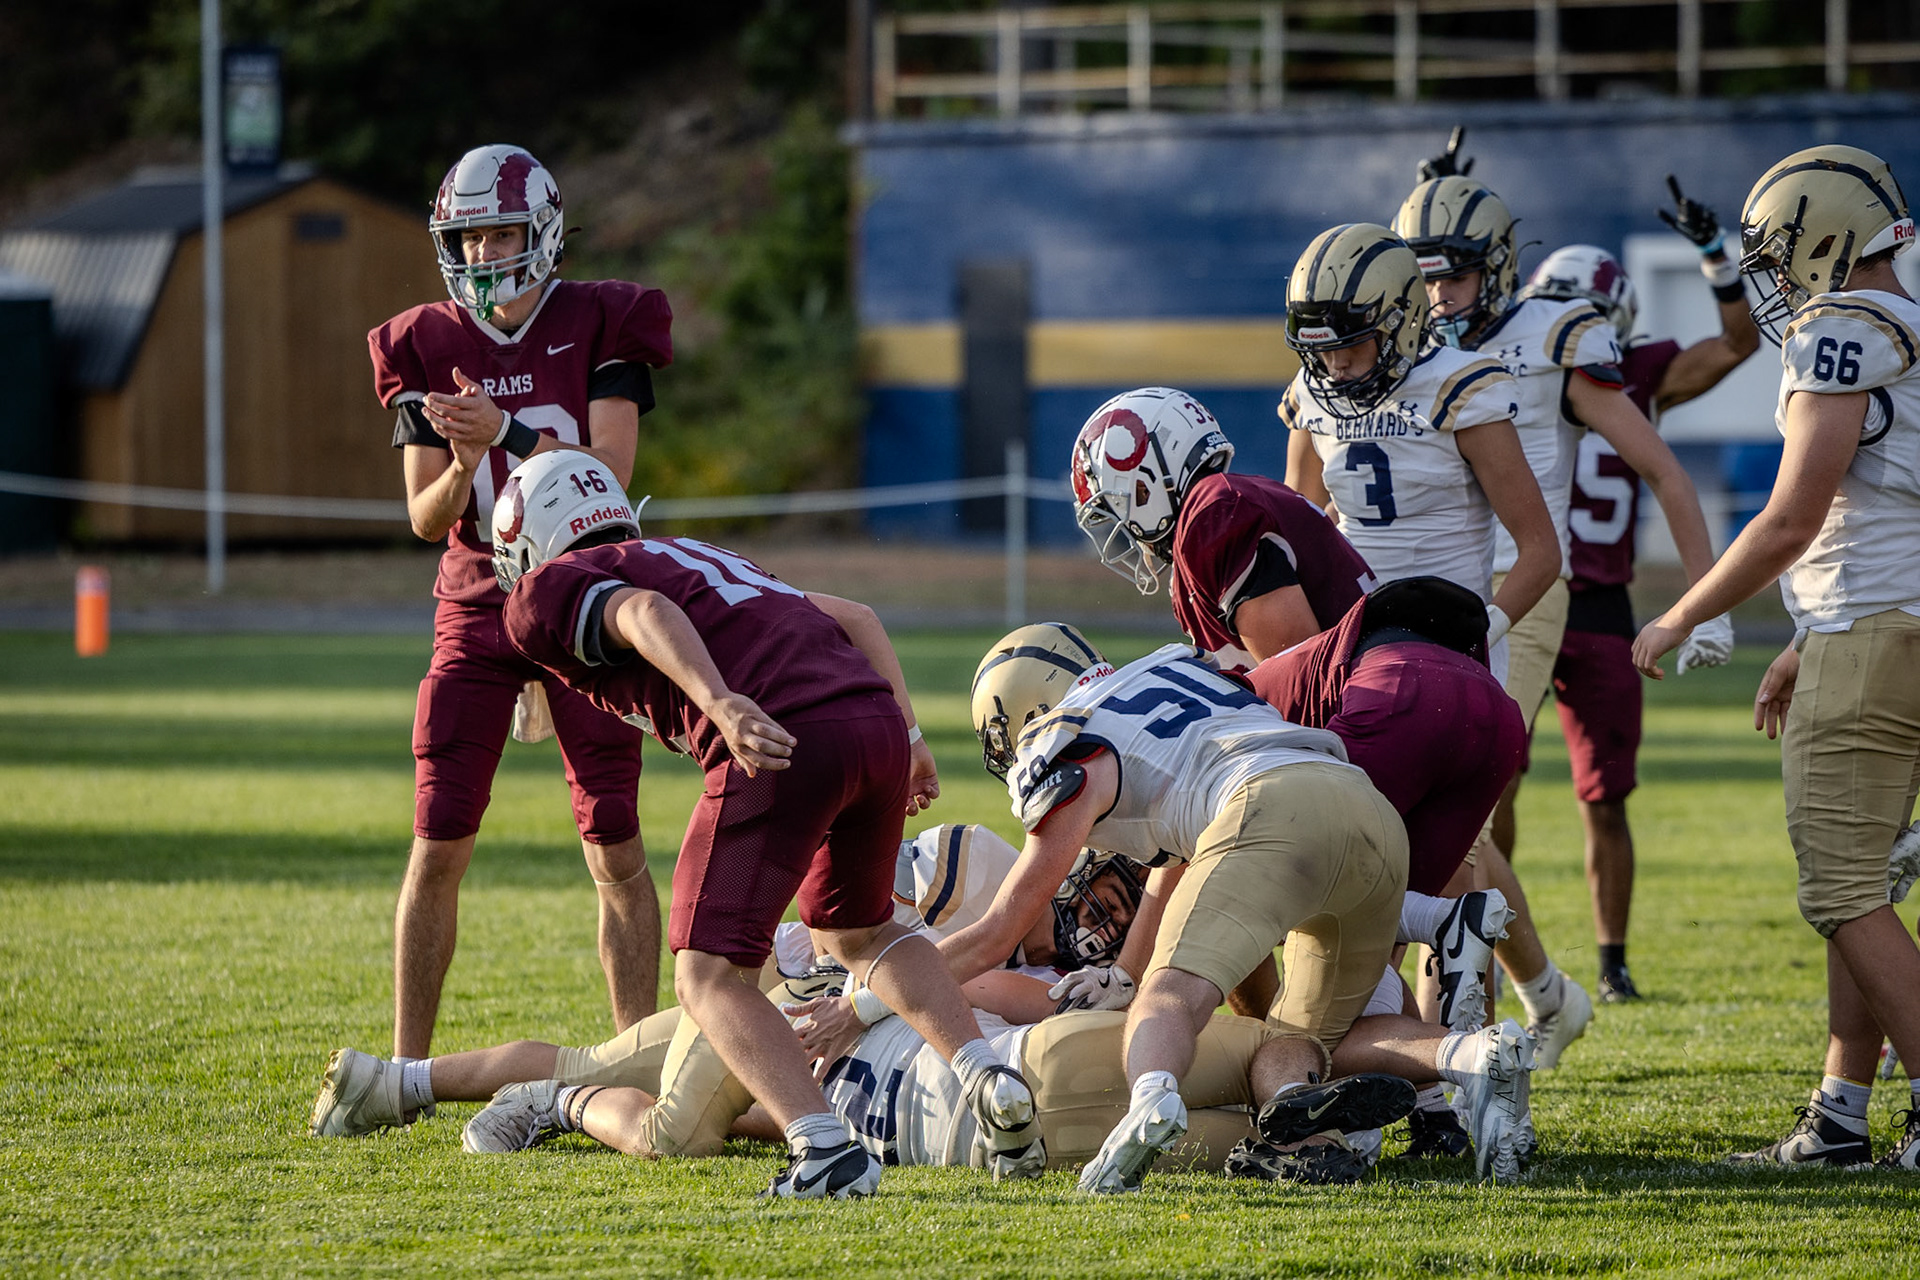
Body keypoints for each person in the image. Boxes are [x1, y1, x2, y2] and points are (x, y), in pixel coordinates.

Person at [484, 448, 1044, 1197]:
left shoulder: (545, 591)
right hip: (869, 718)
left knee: (706, 974)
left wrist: (717, 702)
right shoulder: (688, 552)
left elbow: (645, 612)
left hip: (785, 736)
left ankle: (824, 1150)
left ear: (528, 542)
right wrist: (908, 738)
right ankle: (986, 1077)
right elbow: (857, 617)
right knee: (861, 934)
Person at [1632, 144, 1920, 1170]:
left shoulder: (1842, 328)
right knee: (1866, 885)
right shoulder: (1906, 327)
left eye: (1782, 249)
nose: (1776, 270)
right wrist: (1805, 633)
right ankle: (1843, 1113)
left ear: (1828, 238)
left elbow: (1794, 515)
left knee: (1841, 888)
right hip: (1886, 625)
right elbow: (1886, 509)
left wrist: (1679, 613)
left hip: (1875, 637)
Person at [1391, 176, 1724, 1063]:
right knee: (1417, 808)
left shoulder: (1555, 336)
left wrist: (1704, 603)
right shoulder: (1403, 341)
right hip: (1412, 596)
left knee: (1454, 806)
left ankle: (1464, 1027)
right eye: (1422, 277)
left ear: (1497, 269)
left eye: (1453, 274)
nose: (1436, 295)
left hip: (1521, 589)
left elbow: (1664, 470)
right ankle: (1528, 996)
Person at [364, 144, 671, 1072]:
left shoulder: (602, 319)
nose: (486, 250)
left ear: (541, 231)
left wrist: (505, 432)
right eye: (470, 235)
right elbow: (425, 518)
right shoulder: (423, 341)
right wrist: (462, 466)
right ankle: (410, 1068)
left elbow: (609, 476)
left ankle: (635, 1057)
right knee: (438, 839)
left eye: (501, 230)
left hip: (582, 598)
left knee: (614, 843)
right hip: (476, 604)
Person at [947, 623, 1438, 1193]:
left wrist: (867, 996)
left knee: (1170, 995)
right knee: (1302, 1043)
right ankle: (1475, 1057)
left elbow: (997, 931)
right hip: (1368, 804)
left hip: (1267, 809)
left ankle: (1151, 1101)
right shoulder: (1174, 669)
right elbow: (1176, 851)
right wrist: (1126, 967)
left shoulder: (1064, 739)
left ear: (1031, 706)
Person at [1278, 222, 1583, 1073]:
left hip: (1450, 660)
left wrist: (1477, 630)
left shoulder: (1461, 386)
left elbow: (1538, 550)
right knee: (1388, 862)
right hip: (1357, 665)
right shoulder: (1311, 401)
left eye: (1356, 344)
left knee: (1434, 865)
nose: (1337, 366)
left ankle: (1450, 1069)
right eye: (1323, 350)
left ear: (1406, 320)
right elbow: (1304, 534)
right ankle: (1446, 1053)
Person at [1521, 183, 1760, 1003]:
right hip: (1522, 590)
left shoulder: (1639, 374)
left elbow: (1737, 341)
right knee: (1486, 783)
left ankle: (1612, 959)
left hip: (1601, 606)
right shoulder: (1506, 364)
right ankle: (1481, 943)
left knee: (1608, 796)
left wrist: (1716, 258)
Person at [1068, 386, 1377, 673]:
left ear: (1146, 481)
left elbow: (1302, 678)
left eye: (1119, 504)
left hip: (1370, 708)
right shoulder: (1211, 516)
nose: (1127, 528)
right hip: (1366, 697)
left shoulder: (1214, 515)